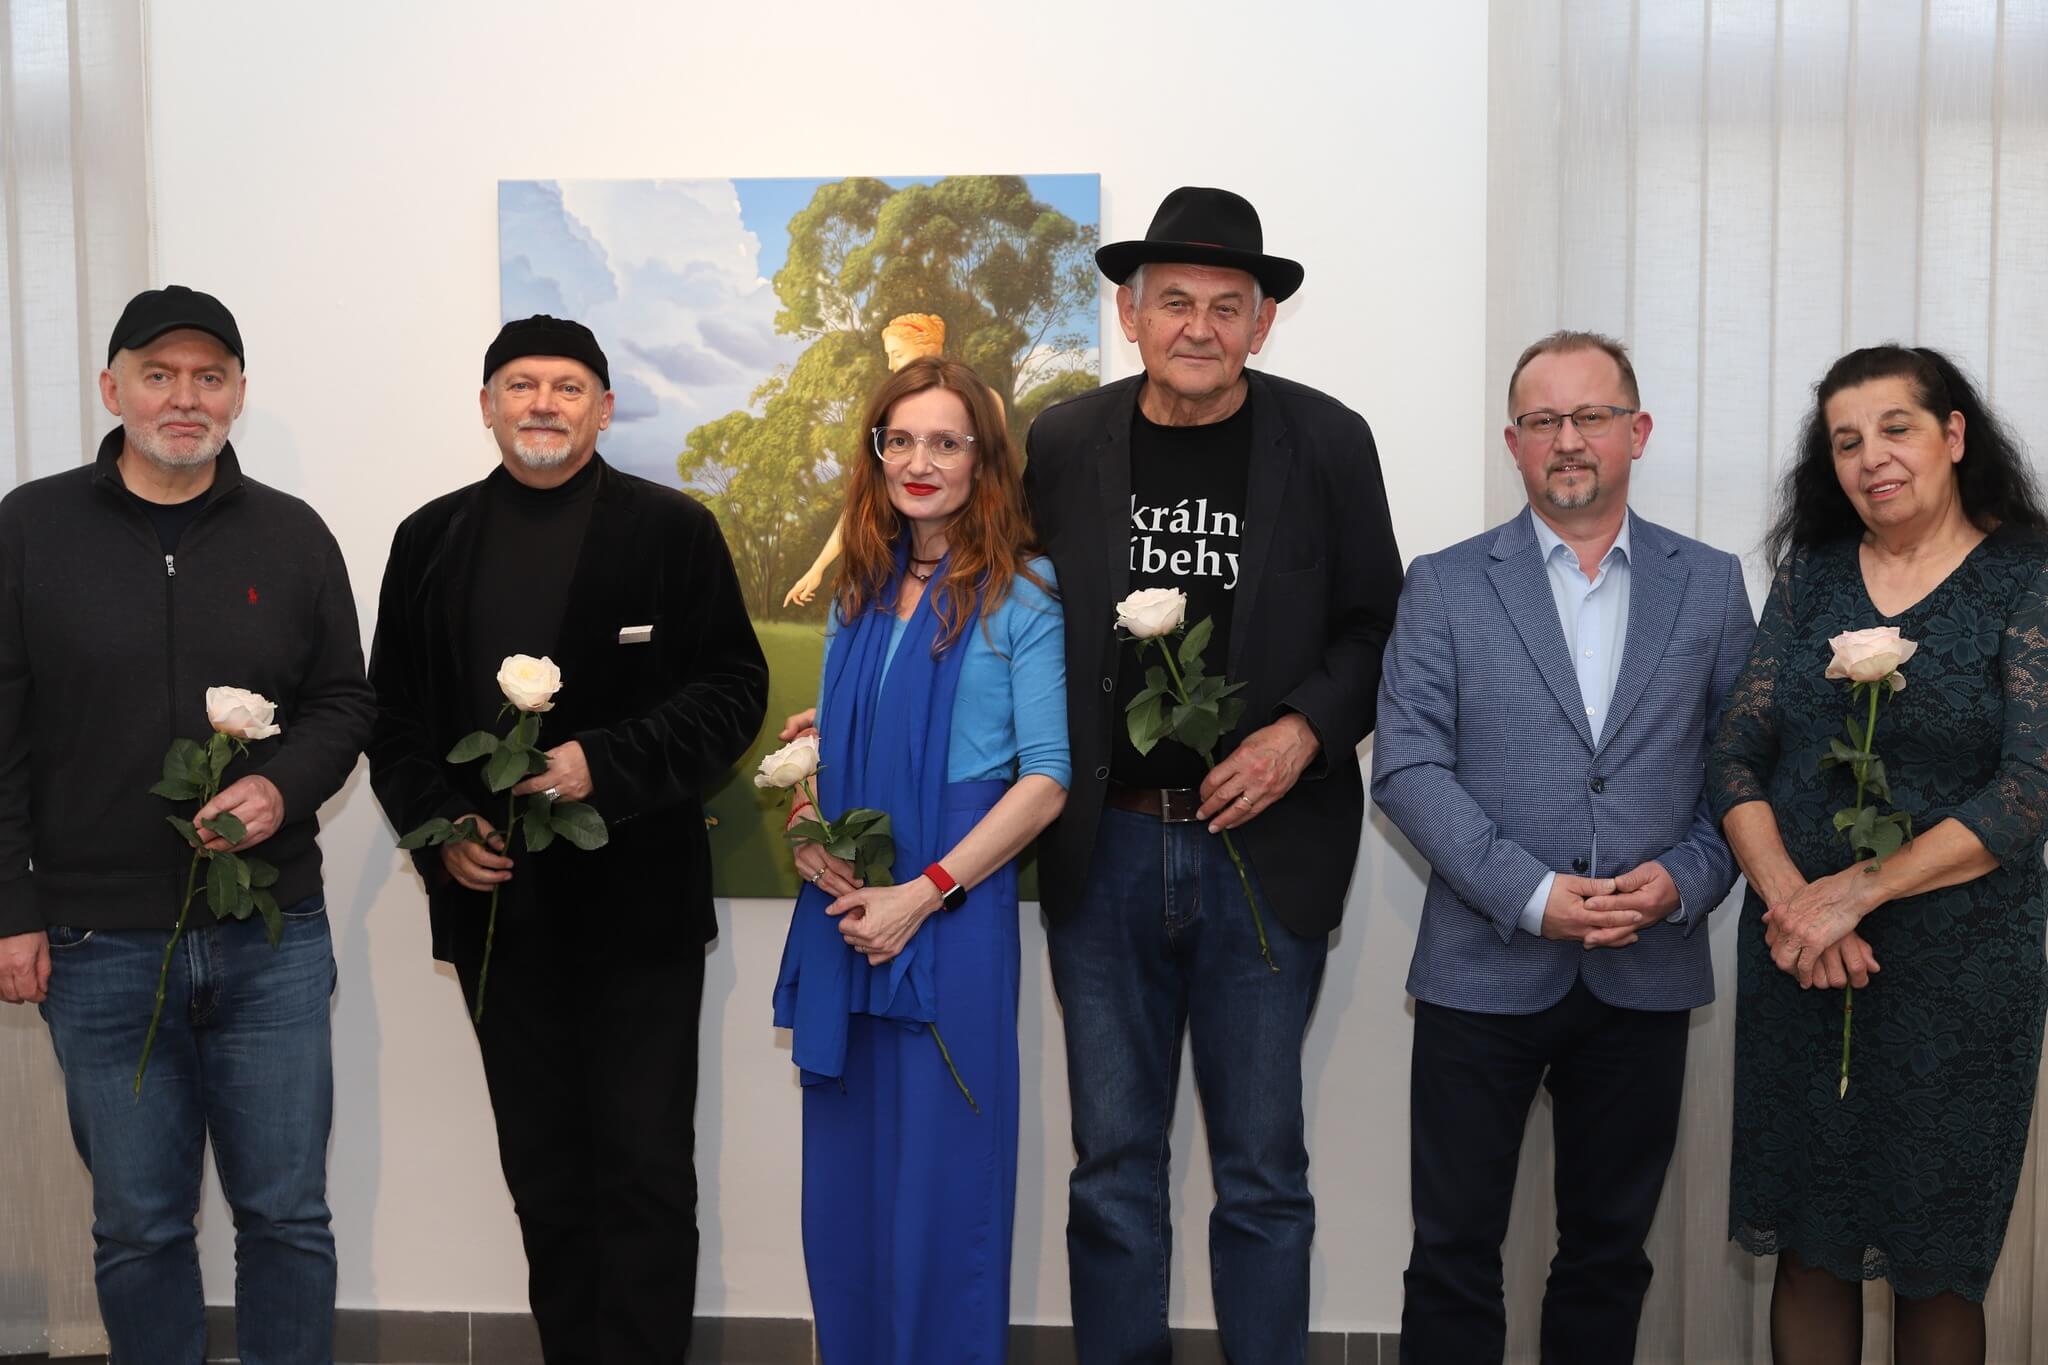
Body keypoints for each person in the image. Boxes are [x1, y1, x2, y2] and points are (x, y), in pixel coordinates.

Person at [1020, 186, 1401, 1363]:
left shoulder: (1326, 441)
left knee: (1262, 1171)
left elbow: (1376, 626)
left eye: (1224, 306)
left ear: (1261, 323)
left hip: (1265, 860)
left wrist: (1298, 735)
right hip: (1105, 851)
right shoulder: (1062, 442)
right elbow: (1009, 621)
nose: (1197, 326)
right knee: (1111, 1165)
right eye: (1173, 301)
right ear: (1128, 315)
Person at [366, 314, 767, 1363]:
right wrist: (442, 830)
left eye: (567, 386)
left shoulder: (673, 531)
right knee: (543, 1175)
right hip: (497, 916)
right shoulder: (428, 539)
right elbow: (392, 719)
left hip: (639, 920)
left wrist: (606, 762)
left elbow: (733, 690)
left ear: (604, 407)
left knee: (644, 1172)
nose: (542, 403)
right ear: (487, 404)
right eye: (521, 384)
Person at [0, 286, 375, 1363]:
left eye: (209, 377)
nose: (184, 397)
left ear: (239, 394)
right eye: (158, 374)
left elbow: (344, 702)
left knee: (288, 1217)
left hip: (272, 940)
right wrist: (12, 905)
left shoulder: (293, 535)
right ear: (111, 388)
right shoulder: (29, 528)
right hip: (95, 943)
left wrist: (282, 788)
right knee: (138, 1226)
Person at [1371, 330, 1754, 1363]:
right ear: (1513, 443)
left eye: (1590, 416)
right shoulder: (1444, 583)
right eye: (1542, 420)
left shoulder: (1711, 585)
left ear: (1637, 431)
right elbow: (1406, 767)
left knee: (1607, 1257)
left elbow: (1743, 773)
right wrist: (1530, 892)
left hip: (1645, 967)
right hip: (1479, 969)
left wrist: (1682, 880)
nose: (1568, 439)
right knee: (1452, 1254)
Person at [1707, 345, 2048, 1365]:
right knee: (1807, 1250)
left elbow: (2028, 790)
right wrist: (1794, 905)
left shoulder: (2025, 578)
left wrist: (1854, 893)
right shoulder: (1810, 576)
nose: (1871, 458)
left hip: (1961, 975)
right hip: (1802, 965)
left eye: (1895, 428)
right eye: (1845, 441)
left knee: (1933, 1264)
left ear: (1953, 435)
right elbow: (1734, 752)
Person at [771, 355, 1069, 1362]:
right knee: (847, 1184)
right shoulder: (859, 590)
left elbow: (1047, 777)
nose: (919, 461)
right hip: (851, 916)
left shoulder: (1023, 590)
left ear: (984, 459)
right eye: (899, 440)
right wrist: (807, 821)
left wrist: (924, 893)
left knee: (945, 1181)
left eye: (945, 441)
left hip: (952, 912)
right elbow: (834, 739)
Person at [783, 312, 950, 608]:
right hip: (892, 561)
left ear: (927, 350)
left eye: (898, 354)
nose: (891, 365)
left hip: (958, 560)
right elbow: (863, 502)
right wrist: (818, 567)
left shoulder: (978, 403)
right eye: (899, 442)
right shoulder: (889, 415)